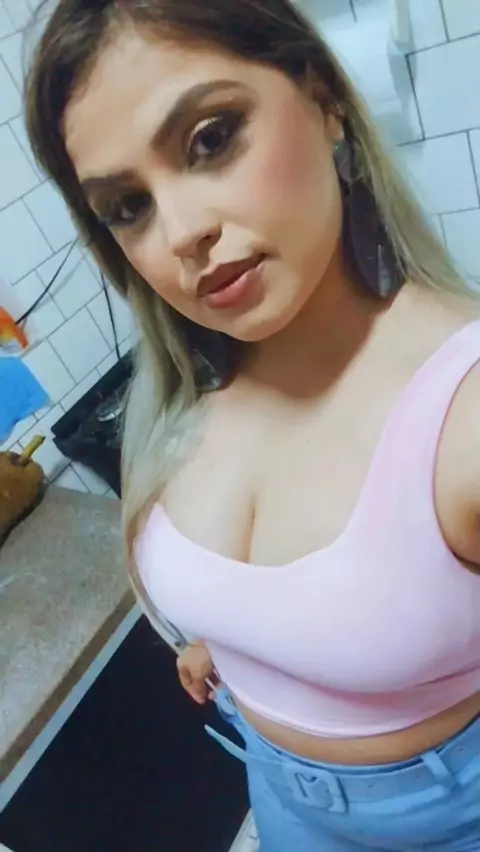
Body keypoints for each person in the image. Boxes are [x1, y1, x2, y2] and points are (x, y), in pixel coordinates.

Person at [26, 1, 480, 848]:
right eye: (126, 205)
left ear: (324, 100)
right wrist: (237, 642)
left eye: (210, 139)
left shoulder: (464, 417)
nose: (181, 233)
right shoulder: (193, 389)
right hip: (275, 787)